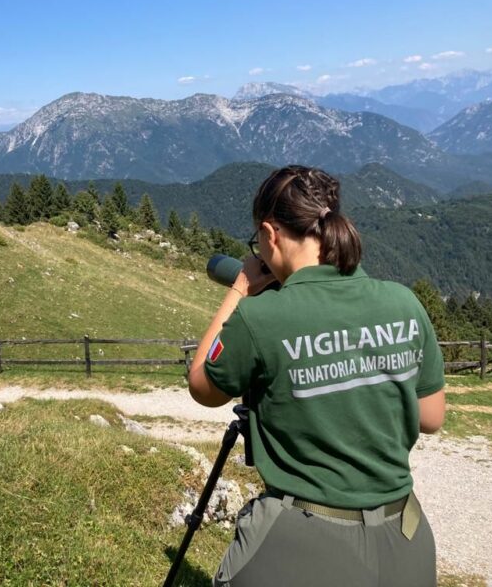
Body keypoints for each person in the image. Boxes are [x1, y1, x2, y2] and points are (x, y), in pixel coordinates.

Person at [188, 165, 445, 587]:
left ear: (270, 235)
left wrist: (239, 290)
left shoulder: (261, 317)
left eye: (258, 243)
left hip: (306, 541)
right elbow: (431, 417)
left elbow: (202, 386)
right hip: (406, 538)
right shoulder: (404, 303)